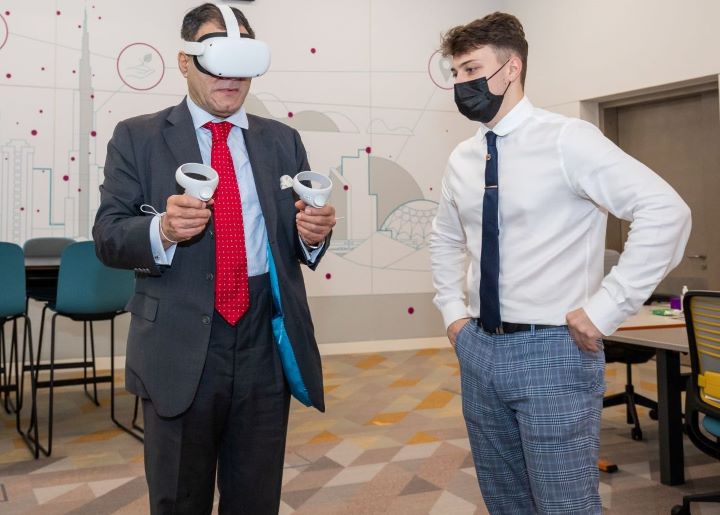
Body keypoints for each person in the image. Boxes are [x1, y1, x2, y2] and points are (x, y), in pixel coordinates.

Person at [430, 12, 691, 514]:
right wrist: (453, 315)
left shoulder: (568, 139)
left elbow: (666, 212)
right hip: (479, 349)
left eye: (471, 69)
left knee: (564, 504)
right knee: (505, 501)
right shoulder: (462, 157)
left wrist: (606, 309)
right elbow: (444, 238)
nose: (461, 83)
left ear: (511, 69)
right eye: (456, 73)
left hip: (554, 348)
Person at [92, 3, 335, 514]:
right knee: (179, 497)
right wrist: (161, 228)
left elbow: (294, 240)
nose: (229, 76)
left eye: (241, 59)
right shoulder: (136, 137)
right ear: (185, 62)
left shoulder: (282, 141)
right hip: (178, 345)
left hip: (262, 342)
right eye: (213, 59)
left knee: (256, 497)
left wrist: (311, 235)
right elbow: (109, 236)